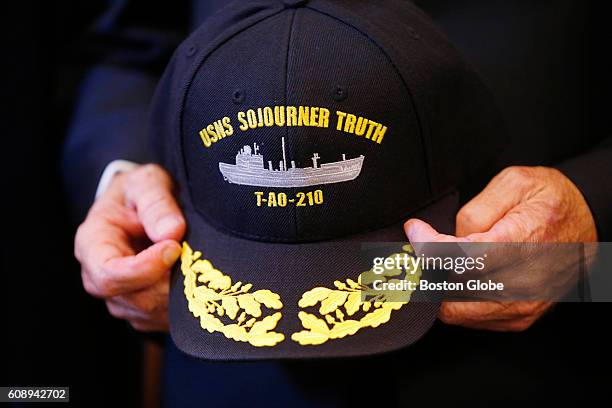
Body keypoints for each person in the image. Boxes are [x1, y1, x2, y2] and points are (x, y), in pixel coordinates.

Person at [64, 0, 610, 405]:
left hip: (540, 331)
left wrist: (597, 210)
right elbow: (128, 48)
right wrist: (123, 173)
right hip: (232, 331)